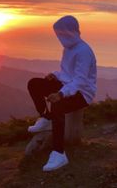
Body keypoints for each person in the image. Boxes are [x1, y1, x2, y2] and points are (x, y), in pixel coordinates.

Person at [27, 15, 97, 172]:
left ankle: (59, 153)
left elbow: (80, 81)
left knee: (58, 105)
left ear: (73, 32)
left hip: (82, 94)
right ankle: (46, 117)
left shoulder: (84, 51)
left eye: (63, 34)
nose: (61, 38)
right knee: (34, 84)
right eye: (59, 34)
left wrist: (60, 94)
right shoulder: (68, 48)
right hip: (67, 86)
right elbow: (67, 73)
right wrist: (55, 75)